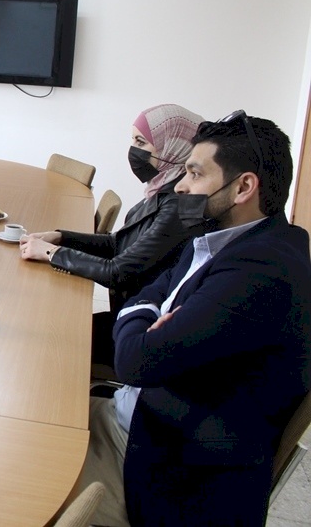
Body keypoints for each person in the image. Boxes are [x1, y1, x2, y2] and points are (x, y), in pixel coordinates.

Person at [77, 111, 311, 526]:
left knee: (10, 475)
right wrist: (146, 314)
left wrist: (140, 317)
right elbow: (152, 292)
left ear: (243, 187)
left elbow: (133, 361)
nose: (181, 186)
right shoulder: (222, 237)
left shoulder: (261, 272)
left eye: (195, 173)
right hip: (140, 419)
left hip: (164, 470)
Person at [19, 104, 206, 367]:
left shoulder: (178, 206)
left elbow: (118, 271)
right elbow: (118, 243)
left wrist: (51, 253)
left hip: (136, 331)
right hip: (126, 317)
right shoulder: (162, 189)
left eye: (141, 142)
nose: (133, 151)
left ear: (172, 147)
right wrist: (60, 237)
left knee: (43, 339)